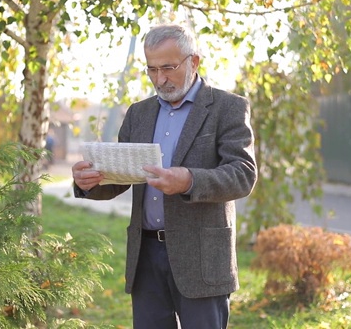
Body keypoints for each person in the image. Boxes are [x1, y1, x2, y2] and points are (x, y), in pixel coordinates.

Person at [71, 23, 257, 329]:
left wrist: (189, 181)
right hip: (146, 258)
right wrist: (89, 182)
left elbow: (243, 174)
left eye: (168, 68)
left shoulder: (228, 108)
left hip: (202, 258)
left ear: (194, 61)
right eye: (152, 69)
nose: (160, 79)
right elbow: (122, 176)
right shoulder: (138, 114)